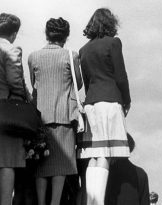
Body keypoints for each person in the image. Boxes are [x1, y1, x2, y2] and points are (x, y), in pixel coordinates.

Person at [78, 8, 132, 205]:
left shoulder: (83, 50)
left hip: (91, 102)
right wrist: (127, 100)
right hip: (110, 100)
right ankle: (98, 202)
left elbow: (85, 80)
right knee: (106, 153)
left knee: (93, 153)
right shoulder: (114, 43)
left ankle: (91, 200)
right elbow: (121, 76)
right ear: (111, 23)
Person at [28, 17, 82, 205]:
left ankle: (41, 202)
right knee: (61, 164)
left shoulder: (33, 56)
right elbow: (79, 83)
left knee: (41, 165)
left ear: (46, 33)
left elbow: (34, 82)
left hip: (40, 116)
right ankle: (55, 202)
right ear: (66, 35)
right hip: (64, 115)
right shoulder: (71, 55)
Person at [0, 12, 29, 205]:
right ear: (14, 33)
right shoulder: (11, 49)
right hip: (5, 110)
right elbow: (15, 81)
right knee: (7, 161)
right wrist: (28, 98)